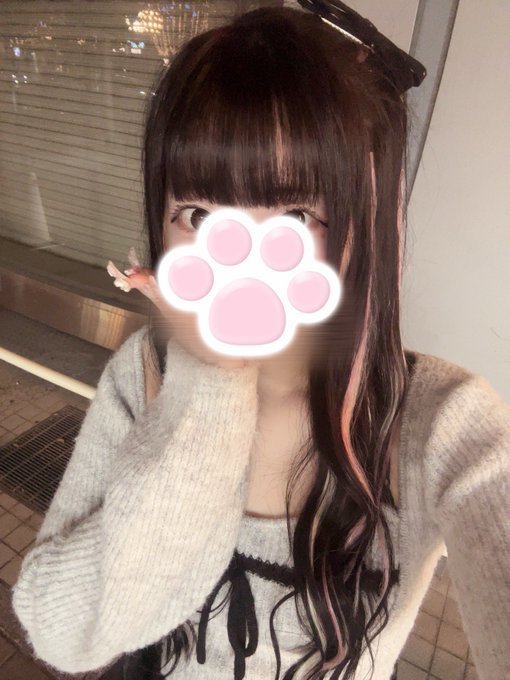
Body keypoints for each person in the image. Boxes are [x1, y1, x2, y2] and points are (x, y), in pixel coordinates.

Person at [11, 6, 510, 680]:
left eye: (295, 215)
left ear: (365, 224)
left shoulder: (442, 424)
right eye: (198, 214)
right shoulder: (145, 374)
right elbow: (62, 634)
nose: (239, 259)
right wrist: (210, 387)